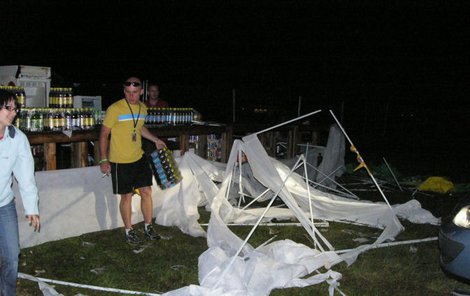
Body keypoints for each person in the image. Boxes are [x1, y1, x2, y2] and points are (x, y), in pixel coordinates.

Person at [99, 77, 166, 245]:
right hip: (120, 161)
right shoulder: (114, 109)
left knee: (146, 192)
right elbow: (104, 134)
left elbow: (140, 127)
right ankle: (129, 230)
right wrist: (103, 159)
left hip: (139, 156)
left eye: (135, 92)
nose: (131, 96)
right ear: (124, 91)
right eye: (128, 92)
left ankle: (148, 226)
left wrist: (155, 139)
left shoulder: (143, 108)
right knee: (126, 197)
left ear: (141, 92)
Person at [0, 89, 40, 296]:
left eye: (15, 108)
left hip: (4, 205)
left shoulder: (17, 138)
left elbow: (26, 176)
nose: (14, 112)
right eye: (9, 108)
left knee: (12, 256)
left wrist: (32, 208)